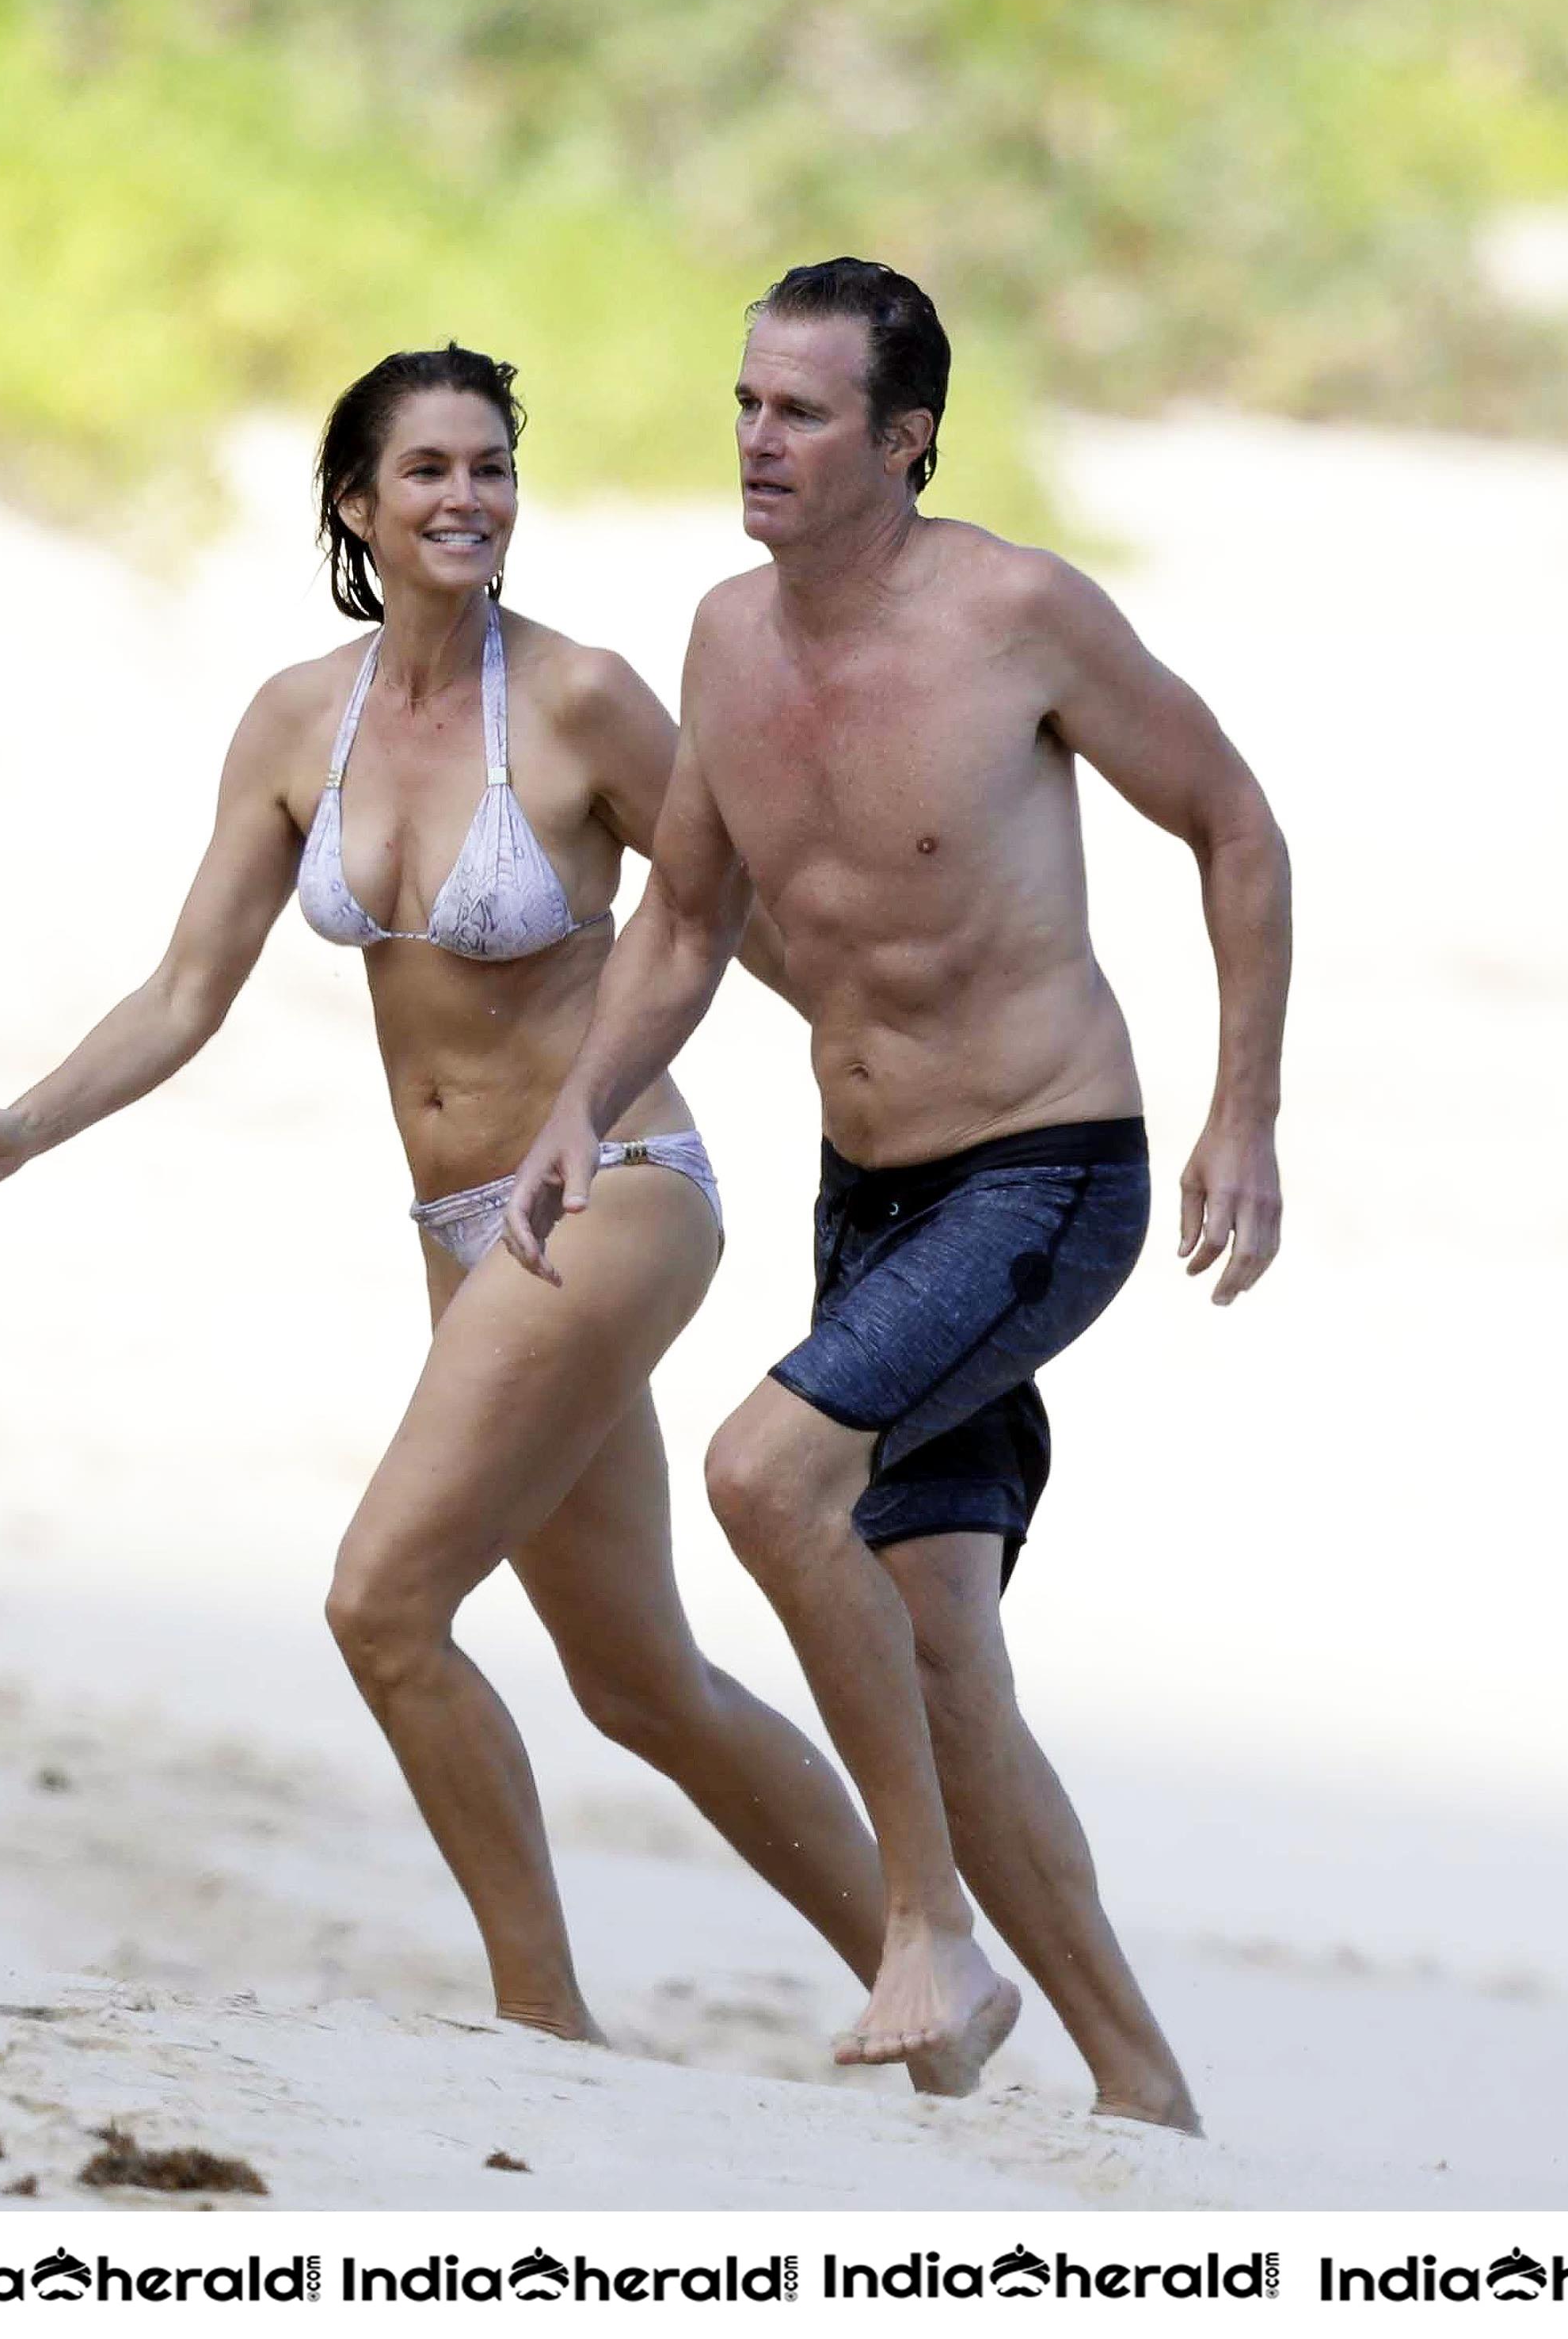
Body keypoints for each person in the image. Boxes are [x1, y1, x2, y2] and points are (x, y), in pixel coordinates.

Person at [0, 345, 957, 2071]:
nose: (467, 498)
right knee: (638, 1684)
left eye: (491, 468)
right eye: (428, 473)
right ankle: (932, 1994)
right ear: (355, 506)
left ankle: (539, 2021)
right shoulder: (289, 722)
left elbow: (755, 936)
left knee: (380, 1602)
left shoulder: (584, 700)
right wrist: (24, 1125)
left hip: (613, 1188)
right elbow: (186, 991)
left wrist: (920, 1119)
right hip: (461, 1235)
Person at [503, 261, 1291, 2133]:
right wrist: (578, 1105)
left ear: (904, 437)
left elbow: (1234, 821)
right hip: (865, 1193)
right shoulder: (722, 639)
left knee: (764, 1476)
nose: (759, 443)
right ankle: (1144, 2091)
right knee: (939, 1643)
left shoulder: (1014, 616)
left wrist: (1239, 1113)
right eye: (746, 408)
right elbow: (690, 916)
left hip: (1042, 1171)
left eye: (800, 414)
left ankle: (922, 1923)